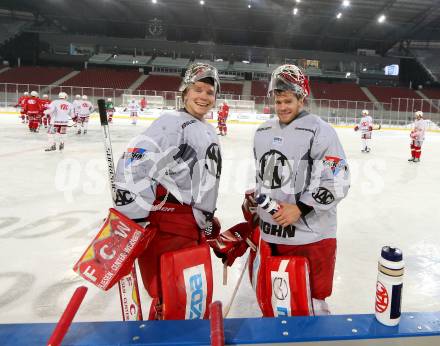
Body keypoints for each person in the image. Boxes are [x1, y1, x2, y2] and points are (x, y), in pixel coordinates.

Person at [223, 64, 350, 316]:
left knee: (312, 305)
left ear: (302, 98)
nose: (282, 107)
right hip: (271, 237)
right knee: (275, 301)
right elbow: (268, 177)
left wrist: (301, 208)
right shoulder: (262, 131)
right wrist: (255, 200)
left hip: (311, 239)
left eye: (288, 101)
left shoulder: (321, 131)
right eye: (278, 101)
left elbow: (337, 180)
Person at [113, 62, 223, 320]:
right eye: (198, 89)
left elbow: (198, 181)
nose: (203, 97)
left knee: (187, 301)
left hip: (190, 226)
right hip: (169, 226)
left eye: (209, 92)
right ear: (185, 91)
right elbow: (133, 165)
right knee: (171, 298)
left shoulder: (205, 129)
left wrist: (205, 216)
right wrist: (133, 219)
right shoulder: (172, 124)